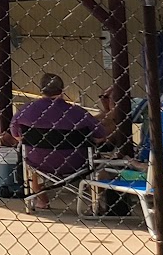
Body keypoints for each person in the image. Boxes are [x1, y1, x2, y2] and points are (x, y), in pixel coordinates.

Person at [10, 74, 105, 211]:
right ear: (62, 90)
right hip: (76, 161)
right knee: (98, 161)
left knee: (29, 158)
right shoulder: (77, 112)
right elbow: (101, 135)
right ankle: (95, 203)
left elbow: (15, 134)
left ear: (41, 89)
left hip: (38, 161)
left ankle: (42, 200)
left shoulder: (26, 110)